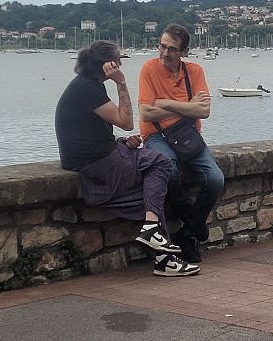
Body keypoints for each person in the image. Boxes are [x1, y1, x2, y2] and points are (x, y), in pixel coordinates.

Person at [54, 40, 200, 277]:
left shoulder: (86, 85)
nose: (121, 62)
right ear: (107, 65)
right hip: (97, 163)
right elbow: (126, 121)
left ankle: (162, 254)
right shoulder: (87, 88)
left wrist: (120, 142)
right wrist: (121, 83)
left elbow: (90, 131)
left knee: (151, 197)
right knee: (160, 162)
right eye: (118, 59)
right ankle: (159, 245)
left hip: (93, 157)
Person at [138, 24, 224, 264]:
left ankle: (187, 231)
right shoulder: (148, 69)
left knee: (216, 179)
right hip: (157, 137)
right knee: (169, 169)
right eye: (162, 46)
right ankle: (194, 225)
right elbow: (145, 112)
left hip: (187, 136)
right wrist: (188, 108)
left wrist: (164, 103)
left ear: (184, 52)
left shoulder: (194, 71)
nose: (164, 53)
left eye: (172, 49)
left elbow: (204, 110)